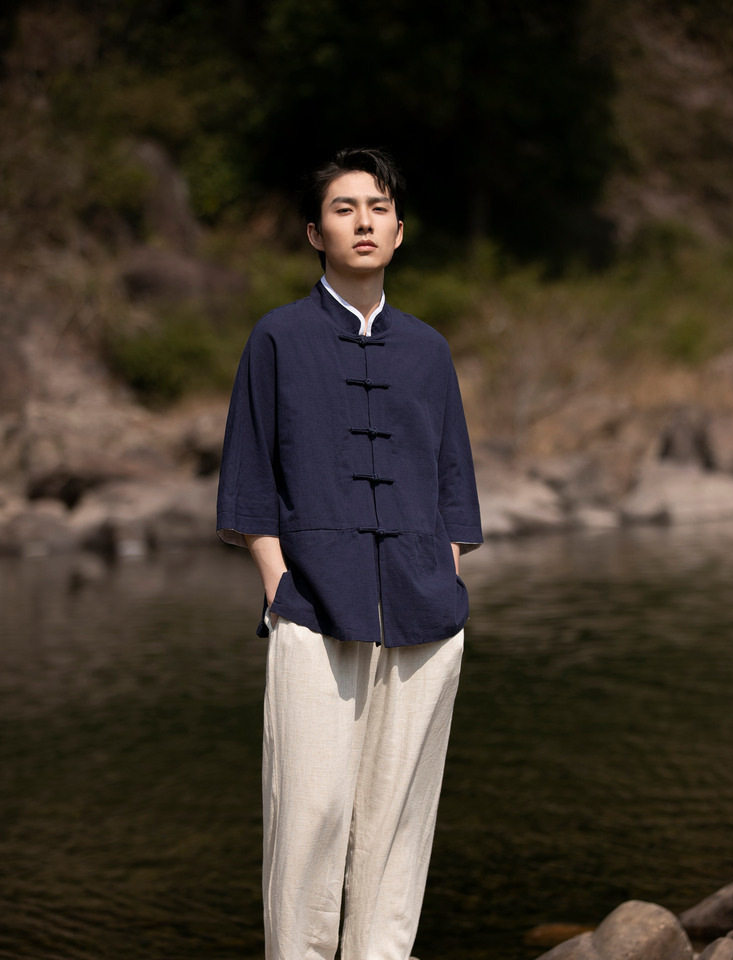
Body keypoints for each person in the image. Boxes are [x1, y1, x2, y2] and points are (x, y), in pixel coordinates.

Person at [217, 147, 483, 960]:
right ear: (314, 232)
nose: (363, 222)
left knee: (399, 827)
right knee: (310, 820)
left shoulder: (430, 351)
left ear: (399, 232)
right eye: (343, 208)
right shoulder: (277, 338)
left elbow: (453, 486)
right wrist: (279, 589)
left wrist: (444, 578)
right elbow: (249, 481)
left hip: (423, 614)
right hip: (311, 608)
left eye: (378, 208)